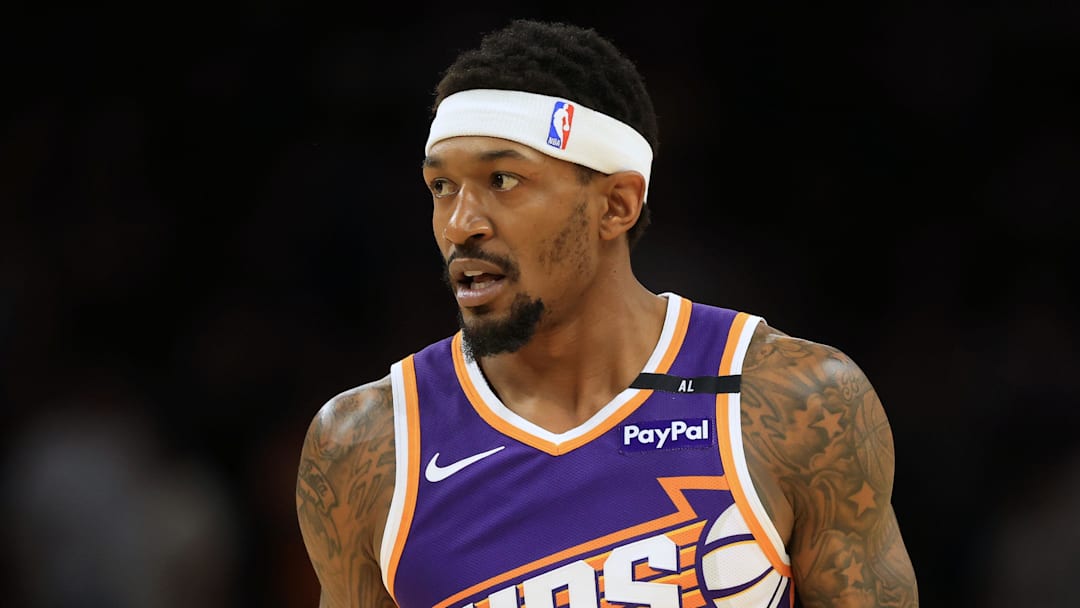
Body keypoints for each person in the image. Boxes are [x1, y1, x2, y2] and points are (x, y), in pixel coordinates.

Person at [295, 18, 919, 608]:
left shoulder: (796, 401)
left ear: (617, 206)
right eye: (442, 187)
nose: (461, 224)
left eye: (503, 181)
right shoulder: (367, 443)